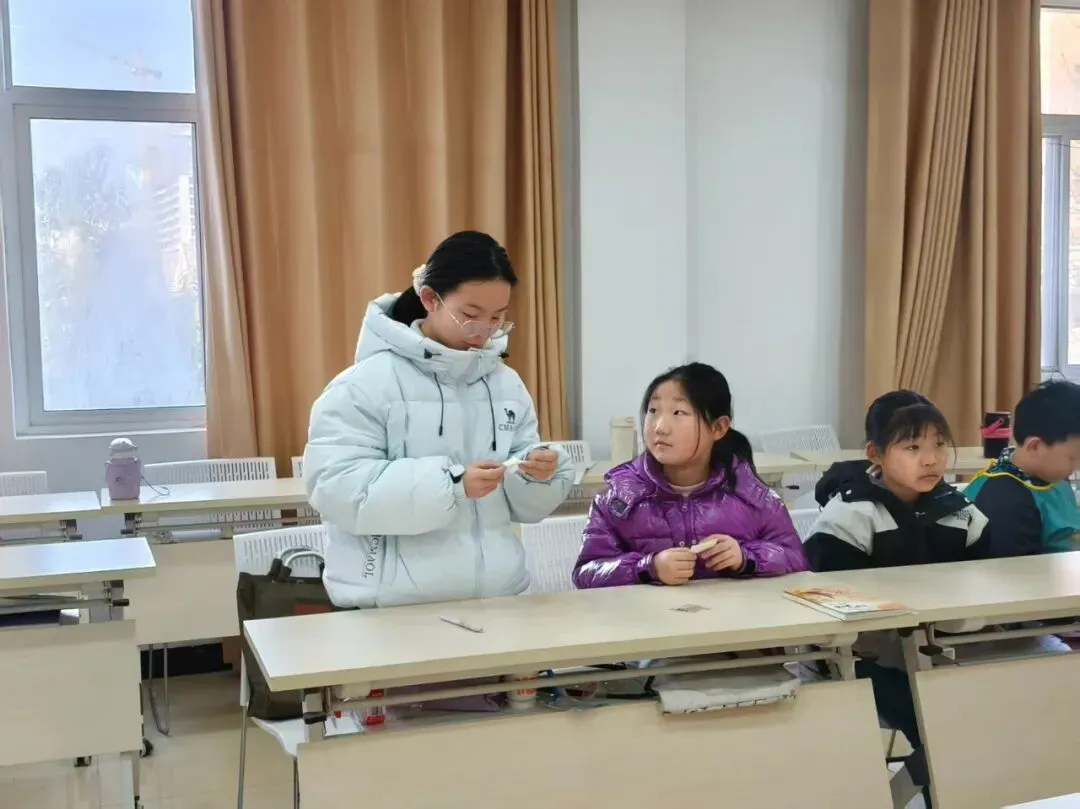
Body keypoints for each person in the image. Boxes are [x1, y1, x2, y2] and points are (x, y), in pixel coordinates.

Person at [304, 231, 575, 609]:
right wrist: (451, 485)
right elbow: (336, 488)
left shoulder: (505, 384)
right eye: (470, 315)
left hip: (497, 599)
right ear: (430, 299)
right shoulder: (364, 385)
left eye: (497, 317)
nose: (484, 330)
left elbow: (522, 502)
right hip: (393, 608)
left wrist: (535, 473)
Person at [803, 390, 991, 809]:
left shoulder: (962, 513)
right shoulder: (849, 516)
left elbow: (988, 585)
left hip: (946, 651)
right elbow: (830, 607)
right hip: (867, 661)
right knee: (944, 726)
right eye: (912, 448)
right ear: (876, 454)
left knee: (1003, 702)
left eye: (939, 445)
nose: (931, 460)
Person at [572, 363, 806, 589]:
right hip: (648, 616)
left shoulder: (753, 496)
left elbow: (797, 560)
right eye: (653, 411)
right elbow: (586, 573)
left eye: (679, 413)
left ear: (718, 428)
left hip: (732, 615)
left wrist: (747, 557)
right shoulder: (618, 498)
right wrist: (648, 567)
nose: (660, 427)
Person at [963, 380, 1080, 557]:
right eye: (1073, 458)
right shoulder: (1006, 503)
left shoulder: (1049, 473)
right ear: (1035, 447)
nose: (1077, 466)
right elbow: (1018, 570)